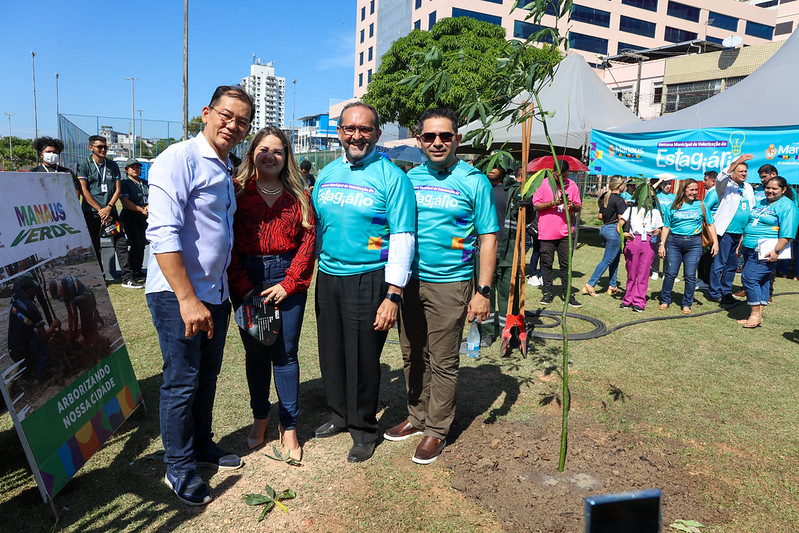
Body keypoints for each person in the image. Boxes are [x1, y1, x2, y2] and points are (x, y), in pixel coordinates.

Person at [145, 85, 253, 505]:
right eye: (226, 115)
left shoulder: (224, 166)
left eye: (242, 121)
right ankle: (179, 467)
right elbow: (163, 232)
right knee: (181, 382)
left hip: (214, 292)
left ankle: (202, 445)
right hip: (179, 295)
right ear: (206, 113)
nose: (232, 125)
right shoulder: (180, 158)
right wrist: (188, 299)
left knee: (206, 376)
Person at [384, 107, 498, 465]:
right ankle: (417, 417)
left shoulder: (474, 180)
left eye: (445, 136)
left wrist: (483, 291)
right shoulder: (409, 178)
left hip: (451, 284)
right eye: (430, 136)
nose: (437, 142)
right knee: (411, 353)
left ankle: (436, 429)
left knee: (444, 359)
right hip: (410, 282)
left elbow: (489, 237)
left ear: (457, 139)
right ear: (419, 140)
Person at [311, 102, 415, 463]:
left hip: (369, 277)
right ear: (339, 131)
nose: (357, 135)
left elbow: (403, 237)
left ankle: (364, 429)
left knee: (364, 357)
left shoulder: (392, 177)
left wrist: (393, 294)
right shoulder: (326, 174)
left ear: (376, 133)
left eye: (365, 129)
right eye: (349, 128)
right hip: (328, 277)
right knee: (332, 351)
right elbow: (317, 228)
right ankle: (339, 414)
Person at [227, 126, 316, 462]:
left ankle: (289, 425)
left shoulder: (299, 195)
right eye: (263, 149)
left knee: (286, 352)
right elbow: (227, 242)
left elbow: (309, 242)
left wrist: (288, 284)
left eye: (277, 151)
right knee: (257, 351)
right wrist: (244, 286)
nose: (270, 156)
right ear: (253, 153)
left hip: (286, 275)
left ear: (286, 157)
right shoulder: (237, 192)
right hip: (246, 276)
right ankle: (260, 417)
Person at [76, 135, 141, 289]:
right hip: (91, 212)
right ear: (91, 147)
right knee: (94, 245)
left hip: (110, 211)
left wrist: (109, 207)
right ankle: (99, 278)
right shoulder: (84, 164)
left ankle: (128, 278)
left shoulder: (112, 165)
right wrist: (100, 210)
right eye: (100, 147)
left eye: (105, 146)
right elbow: (84, 190)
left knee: (121, 243)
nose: (104, 149)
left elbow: (118, 189)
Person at [738, 176, 797, 327]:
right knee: (762, 280)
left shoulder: (787, 206)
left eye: (774, 188)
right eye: (767, 188)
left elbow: (787, 234)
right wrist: (741, 243)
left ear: (783, 190)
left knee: (749, 278)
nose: (769, 191)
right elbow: (750, 223)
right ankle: (758, 316)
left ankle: (754, 315)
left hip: (767, 248)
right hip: (750, 247)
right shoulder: (761, 202)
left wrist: (776, 250)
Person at [658, 179, 718, 314]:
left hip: (694, 244)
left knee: (690, 275)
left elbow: (710, 224)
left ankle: (687, 303)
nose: (694, 192)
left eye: (696, 190)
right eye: (691, 190)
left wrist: (715, 242)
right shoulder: (672, 206)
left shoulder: (701, 205)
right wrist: (662, 244)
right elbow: (666, 226)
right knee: (670, 273)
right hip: (674, 242)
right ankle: (665, 300)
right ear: (684, 190)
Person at [532, 160, 582, 307]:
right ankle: (548, 292)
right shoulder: (543, 183)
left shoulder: (572, 185)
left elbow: (578, 206)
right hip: (546, 232)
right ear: (553, 172)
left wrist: (572, 206)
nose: (561, 179)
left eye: (565, 176)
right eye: (558, 176)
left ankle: (568, 294)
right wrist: (553, 203)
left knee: (566, 265)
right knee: (547, 263)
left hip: (565, 232)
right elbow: (537, 205)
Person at [705, 156, 755, 304]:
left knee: (732, 265)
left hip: (741, 232)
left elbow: (751, 208)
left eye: (745, 171)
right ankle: (714, 292)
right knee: (720, 263)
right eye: (740, 171)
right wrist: (737, 161)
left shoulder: (748, 187)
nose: (744, 174)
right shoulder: (725, 186)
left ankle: (726, 291)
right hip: (726, 231)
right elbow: (721, 177)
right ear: (733, 173)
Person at [9, 273, 61, 381]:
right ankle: (43, 372)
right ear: (29, 289)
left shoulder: (16, 293)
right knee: (39, 337)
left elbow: (20, 273)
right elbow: (45, 337)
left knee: (33, 333)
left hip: (13, 348)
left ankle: (28, 369)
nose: (35, 289)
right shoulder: (32, 309)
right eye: (33, 287)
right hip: (21, 352)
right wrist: (54, 325)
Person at [478, 165, 509, 347]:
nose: (492, 169)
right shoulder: (481, 188)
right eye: (490, 165)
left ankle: (507, 330)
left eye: (497, 166)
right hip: (483, 251)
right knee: (485, 293)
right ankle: (487, 332)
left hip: (506, 250)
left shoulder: (510, 192)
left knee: (505, 295)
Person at [619, 188, 663, 311]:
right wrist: (624, 234)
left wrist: (656, 231)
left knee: (643, 273)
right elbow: (619, 226)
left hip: (648, 242)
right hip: (634, 240)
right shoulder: (631, 210)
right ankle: (628, 299)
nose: (649, 199)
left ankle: (639, 301)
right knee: (631, 272)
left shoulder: (655, 212)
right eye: (646, 196)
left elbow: (659, 229)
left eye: (651, 197)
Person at [584, 175, 626, 296]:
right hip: (614, 231)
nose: (625, 186)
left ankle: (612, 285)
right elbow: (621, 218)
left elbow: (600, 216)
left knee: (615, 259)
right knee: (607, 260)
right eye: (624, 184)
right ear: (620, 185)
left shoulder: (606, 198)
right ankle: (591, 284)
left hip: (604, 229)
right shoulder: (620, 200)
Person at [49, 275, 102, 343]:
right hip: (81, 303)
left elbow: (75, 314)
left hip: (88, 299)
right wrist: (70, 332)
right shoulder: (63, 292)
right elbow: (70, 314)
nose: (60, 298)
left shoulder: (69, 287)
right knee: (85, 330)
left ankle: (96, 324)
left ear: (60, 290)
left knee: (90, 326)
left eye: (59, 296)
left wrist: (75, 330)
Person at [120, 159, 149, 281]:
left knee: (142, 243)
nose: (135, 169)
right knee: (135, 243)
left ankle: (138, 269)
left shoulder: (144, 182)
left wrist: (147, 207)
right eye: (132, 167)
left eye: (138, 167)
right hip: (130, 215)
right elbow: (125, 202)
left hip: (144, 216)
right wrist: (140, 209)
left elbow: (150, 196)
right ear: (126, 169)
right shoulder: (125, 183)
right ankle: (130, 271)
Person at [651, 179, 676, 281]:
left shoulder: (673, 197)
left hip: (669, 226)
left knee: (668, 250)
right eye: (665, 184)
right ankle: (655, 271)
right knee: (656, 248)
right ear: (661, 185)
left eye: (669, 184)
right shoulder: (656, 194)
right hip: (658, 226)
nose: (668, 186)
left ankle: (666, 272)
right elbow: (650, 190)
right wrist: (660, 180)